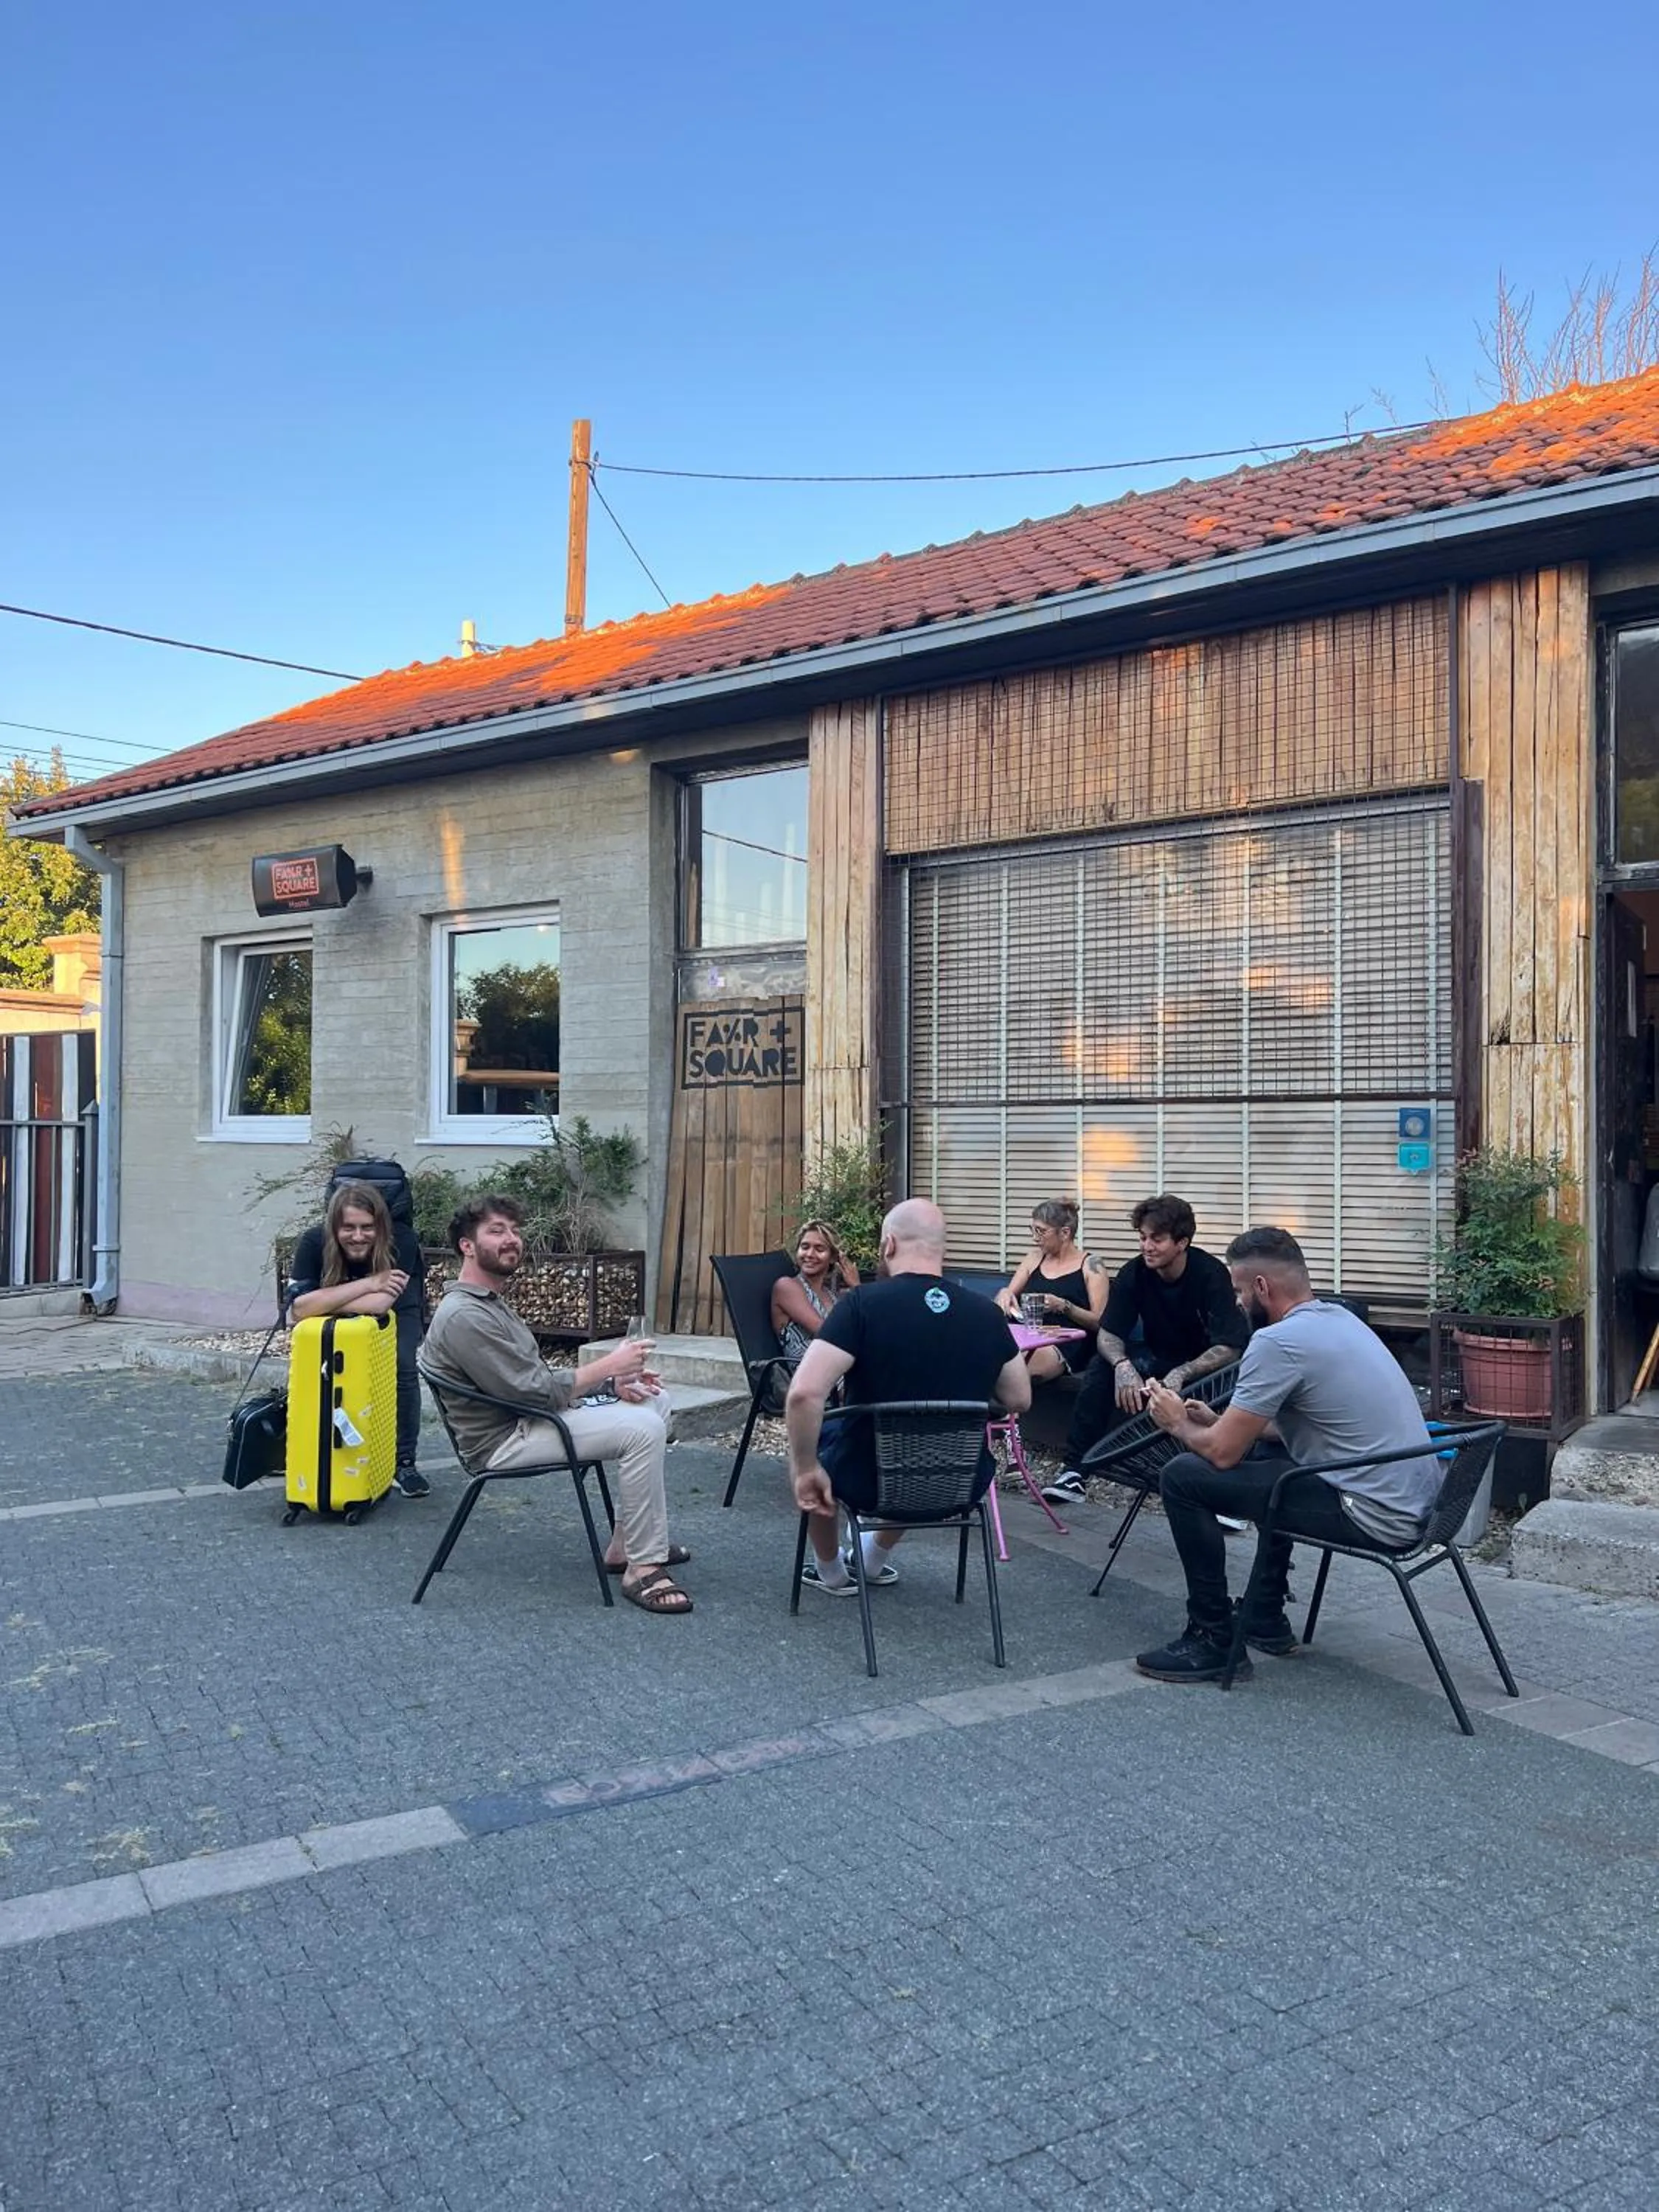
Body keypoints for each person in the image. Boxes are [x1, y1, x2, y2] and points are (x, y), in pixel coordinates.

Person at [1134, 1225, 1443, 1683]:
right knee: (1264, 1455)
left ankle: (1212, 1640)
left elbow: (1221, 1456)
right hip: (1415, 1505)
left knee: (1182, 1477)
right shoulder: (1340, 1319)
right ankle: (1263, 1615)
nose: (1238, 1303)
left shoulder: (1277, 1342)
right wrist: (1220, 1422)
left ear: (1262, 1287)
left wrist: (1176, 1422)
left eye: (1239, 1291)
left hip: (1374, 1515)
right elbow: (1303, 1425)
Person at [422, 1192, 692, 1615]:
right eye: (497, 1231)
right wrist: (607, 1366)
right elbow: (532, 1392)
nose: (511, 1239)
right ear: (467, 1246)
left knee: (654, 1401)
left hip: (530, 1418)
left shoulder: (488, 1303)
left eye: (515, 1230)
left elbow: (536, 1384)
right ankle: (643, 1569)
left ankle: (627, 1547)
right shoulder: (464, 1316)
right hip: (504, 1440)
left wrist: (613, 1386)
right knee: (643, 1430)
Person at [787, 1198, 1031, 1593]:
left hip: (865, 1479)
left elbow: (803, 1395)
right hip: (960, 1482)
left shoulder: (861, 1306)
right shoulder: (986, 1313)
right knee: (924, 1447)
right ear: (942, 1249)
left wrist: (804, 1469)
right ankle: (871, 1559)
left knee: (815, 1451)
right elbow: (1019, 1398)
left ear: (889, 1245)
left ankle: (830, 1571)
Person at [1041, 1193, 1249, 1503]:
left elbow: (1230, 1348)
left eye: (1157, 1239)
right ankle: (1075, 1472)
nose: (1147, 1246)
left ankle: (1223, 1491)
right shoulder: (1135, 1273)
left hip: (1207, 1366)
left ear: (1182, 1242)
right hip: (1158, 1358)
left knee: (1223, 1384)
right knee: (1102, 1366)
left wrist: (1183, 1371)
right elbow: (1109, 1333)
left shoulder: (1211, 1274)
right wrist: (1123, 1365)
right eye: (1143, 1237)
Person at [288, 1180, 431, 1498]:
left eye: (367, 1227)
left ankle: (404, 1462)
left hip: (400, 1309)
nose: (358, 1236)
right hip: (346, 1304)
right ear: (333, 1227)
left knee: (402, 1365)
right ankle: (320, 1453)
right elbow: (297, 1310)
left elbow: (380, 1306)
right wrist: (370, 1283)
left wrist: (323, 1300)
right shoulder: (313, 1241)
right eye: (348, 1228)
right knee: (321, 1368)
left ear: (381, 1226)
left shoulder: (402, 1240)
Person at [994, 1200, 1108, 1383]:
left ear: (1065, 1233)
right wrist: (1005, 1293)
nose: (1035, 1238)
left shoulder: (1091, 1266)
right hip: (1026, 1333)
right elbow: (1009, 1295)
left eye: (1041, 1231)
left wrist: (1064, 1306)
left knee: (1011, 1370)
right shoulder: (1033, 1259)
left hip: (1064, 1340)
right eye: (1033, 1230)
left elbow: (1100, 1322)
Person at [771, 1220, 860, 1373]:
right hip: (811, 1374)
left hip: (838, 1369)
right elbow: (827, 1333)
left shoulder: (831, 1296)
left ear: (833, 1258)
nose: (810, 1254)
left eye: (819, 1249)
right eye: (805, 1247)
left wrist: (856, 1287)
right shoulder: (787, 1287)